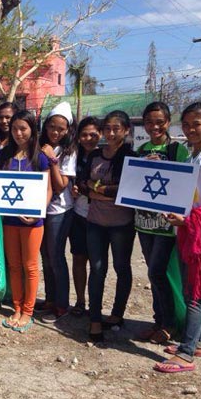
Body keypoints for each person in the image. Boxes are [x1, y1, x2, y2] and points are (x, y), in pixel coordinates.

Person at [155, 102, 201, 373]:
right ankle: (198, 342)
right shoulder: (191, 155)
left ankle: (186, 354)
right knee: (191, 289)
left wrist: (189, 219)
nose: (190, 129)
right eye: (186, 125)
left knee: (195, 294)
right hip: (188, 230)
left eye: (196, 124)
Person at [78, 110, 136, 342]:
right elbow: (82, 184)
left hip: (122, 224)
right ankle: (94, 319)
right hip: (95, 222)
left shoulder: (130, 157)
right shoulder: (94, 156)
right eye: (107, 128)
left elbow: (126, 190)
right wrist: (105, 191)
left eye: (116, 128)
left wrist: (98, 189)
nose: (111, 133)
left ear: (126, 130)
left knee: (122, 268)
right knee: (98, 269)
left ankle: (116, 314)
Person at [134, 102, 189, 344]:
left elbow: (183, 181)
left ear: (168, 122)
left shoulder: (178, 149)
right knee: (152, 273)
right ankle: (158, 321)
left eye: (159, 122)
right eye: (149, 122)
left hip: (166, 224)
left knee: (157, 272)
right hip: (144, 221)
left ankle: (169, 324)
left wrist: (162, 166)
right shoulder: (140, 149)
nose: (154, 126)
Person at [0, 110, 52, 332]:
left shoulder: (40, 157)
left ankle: (28, 311)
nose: (19, 133)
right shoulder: (4, 155)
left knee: (30, 266)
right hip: (9, 220)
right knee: (14, 266)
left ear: (32, 130)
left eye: (23, 129)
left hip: (32, 222)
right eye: (15, 129)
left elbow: (49, 190)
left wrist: (37, 214)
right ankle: (16, 307)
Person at [38, 102, 77, 323]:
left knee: (56, 256)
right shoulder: (40, 145)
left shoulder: (68, 151)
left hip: (59, 210)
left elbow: (61, 185)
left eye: (60, 129)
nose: (55, 132)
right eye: (52, 126)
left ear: (67, 130)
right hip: (41, 208)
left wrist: (53, 160)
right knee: (45, 256)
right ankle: (51, 299)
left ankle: (62, 305)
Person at [69, 117, 101, 317]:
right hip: (78, 214)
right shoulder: (73, 155)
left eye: (93, 134)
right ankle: (80, 302)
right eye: (84, 135)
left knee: (97, 264)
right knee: (79, 259)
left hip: (100, 218)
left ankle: (95, 305)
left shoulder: (106, 156)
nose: (88, 139)